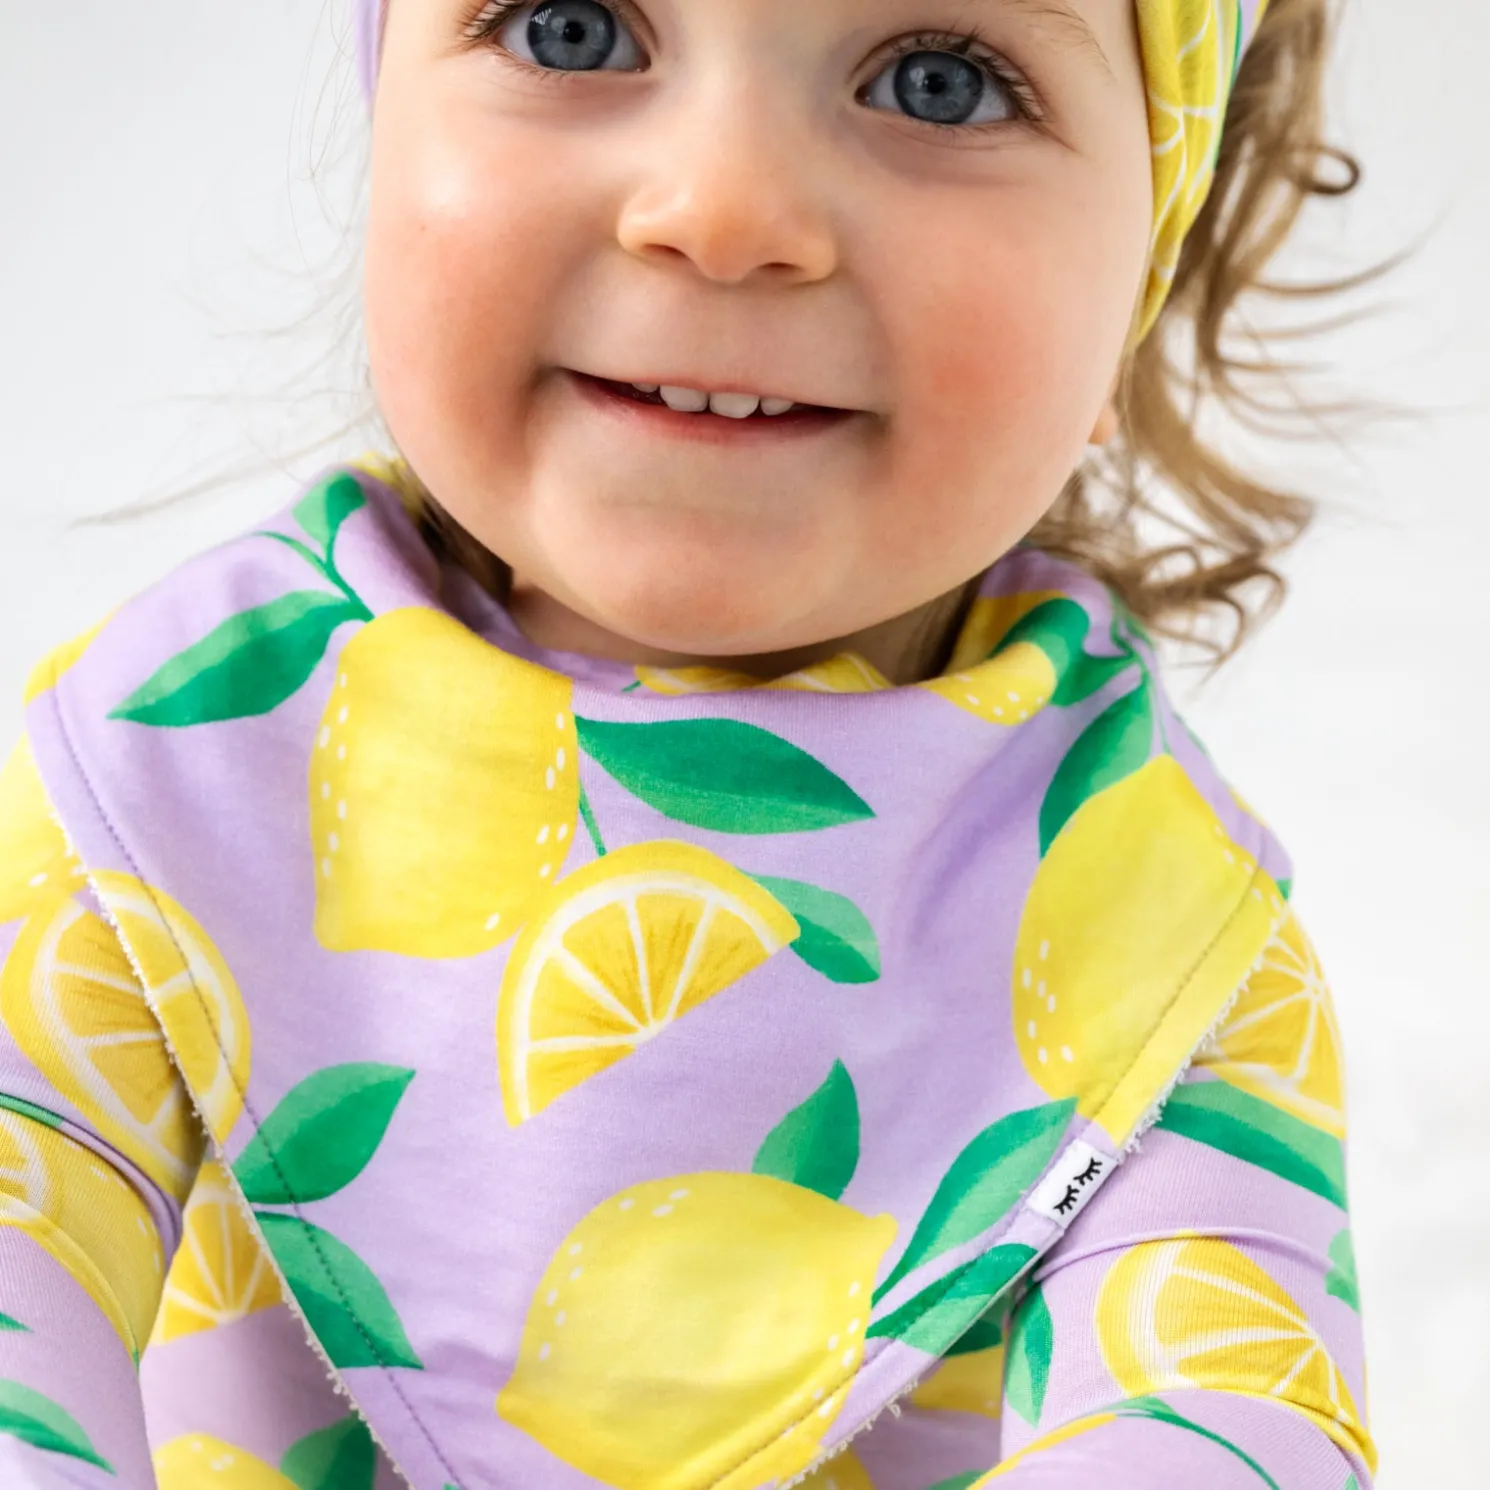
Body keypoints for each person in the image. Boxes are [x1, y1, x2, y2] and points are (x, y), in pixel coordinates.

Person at [0, 0, 1377, 1486]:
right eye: (573, 30)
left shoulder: (1160, 923)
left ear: (1140, 283)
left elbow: (1220, 1412)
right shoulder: (154, 772)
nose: (723, 213)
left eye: (940, 81)